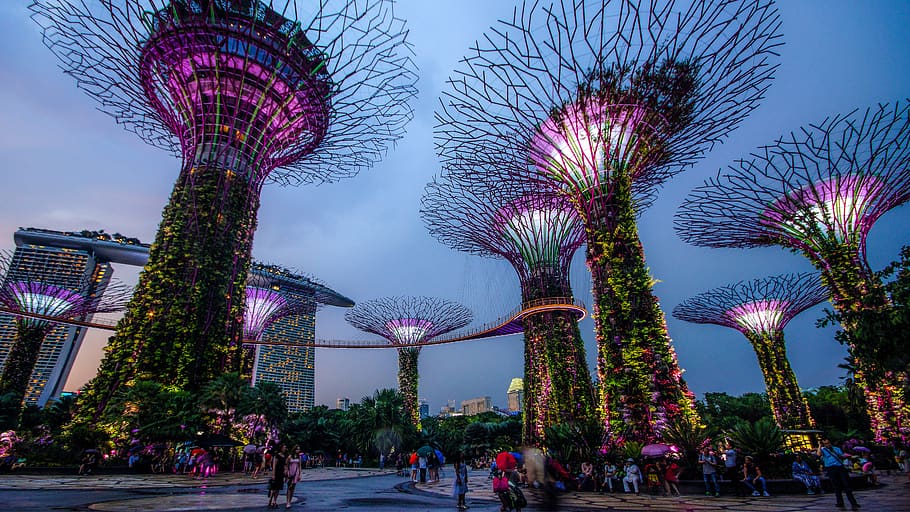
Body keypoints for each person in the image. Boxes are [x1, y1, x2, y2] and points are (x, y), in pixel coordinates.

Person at [818, 438, 860, 510]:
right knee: (836, 486)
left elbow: (841, 456)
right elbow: (818, 454)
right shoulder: (823, 450)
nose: (827, 445)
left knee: (846, 485)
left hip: (840, 467)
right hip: (831, 468)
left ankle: (853, 502)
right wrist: (819, 446)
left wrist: (848, 456)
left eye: (828, 443)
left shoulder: (836, 449)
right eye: (825, 443)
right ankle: (840, 502)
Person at [268, 444, 288, 509]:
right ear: (281, 448)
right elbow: (274, 465)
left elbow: (285, 464)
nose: (285, 449)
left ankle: (275, 501)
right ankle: (271, 500)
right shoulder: (277, 456)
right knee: (274, 489)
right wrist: (273, 474)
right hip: (277, 473)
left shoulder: (284, 456)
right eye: (284, 447)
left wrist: (285, 472)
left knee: (278, 488)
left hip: (281, 473)